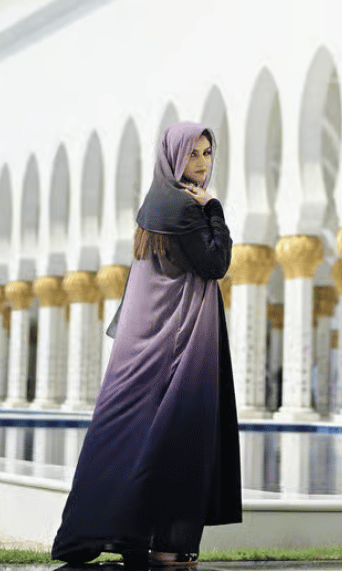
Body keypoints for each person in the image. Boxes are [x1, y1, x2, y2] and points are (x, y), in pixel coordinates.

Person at [51, 123, 241, 567]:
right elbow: (216, 263)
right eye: (193, 153)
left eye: (208, 152)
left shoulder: (154, 204)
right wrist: (216, 210)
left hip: (146, 344)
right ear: (173, 156)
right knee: (179, 439)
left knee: (131, 437)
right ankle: (169, 547)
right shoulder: (185, 206)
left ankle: (114, 536)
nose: (202, 161)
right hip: (177, 344)